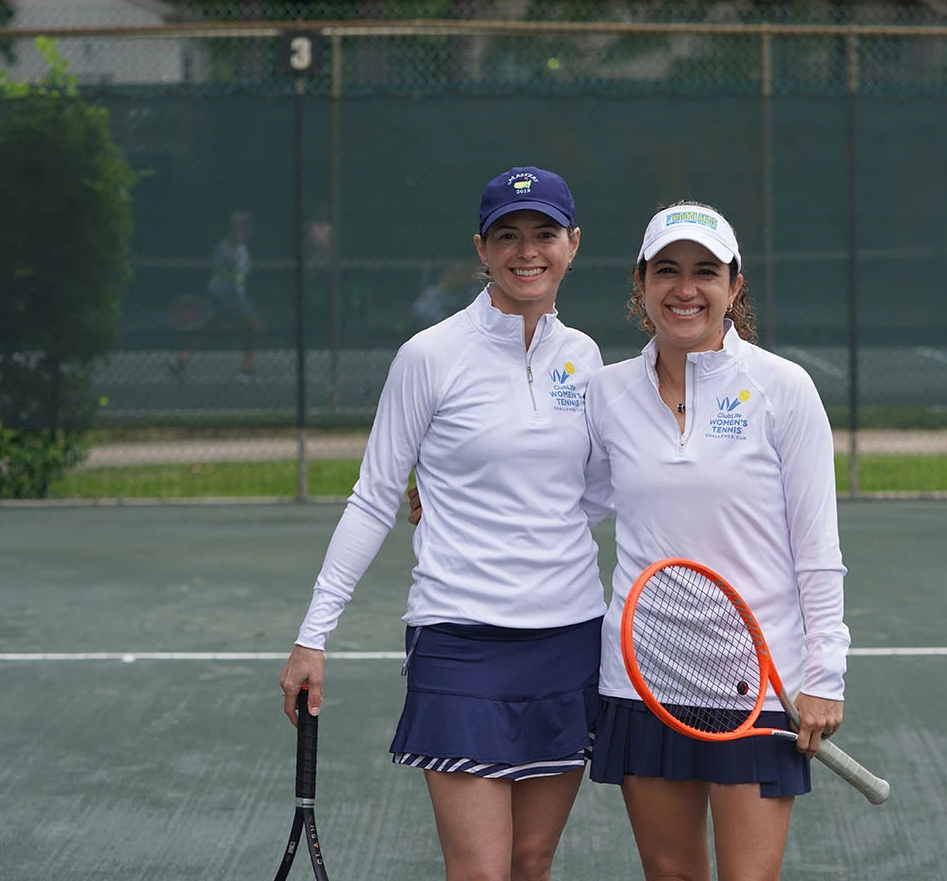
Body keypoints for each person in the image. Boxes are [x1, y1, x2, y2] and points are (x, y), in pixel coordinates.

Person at [278, 166, 611, 881]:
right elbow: (372, 497)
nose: (528, 251)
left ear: (573, 244)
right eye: (508, 236)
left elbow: (591, 495)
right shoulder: (429, 357)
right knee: (482, 872)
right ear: (481, 250)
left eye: (544, 234)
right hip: (459, 641)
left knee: (531, 862)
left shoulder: (585, 360)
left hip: (570, 637)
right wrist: (313, 634)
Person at [585, 201, 851, 881]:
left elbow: (817, 551)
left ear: (735, 287)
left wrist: (823, 676)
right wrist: (443, 497)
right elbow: (562, 506)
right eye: (667, 270)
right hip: (642, 680)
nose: (685, 288)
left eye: (706, 272)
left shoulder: (783, 390)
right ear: (640, 283)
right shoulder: (606, 395)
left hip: (759, 688)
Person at [169, 210, 262, 383]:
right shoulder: (229, 251)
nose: (251, 230)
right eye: (245, 226)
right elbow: (231, 280)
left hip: (226, 297)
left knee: (208, 331)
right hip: (230, 298)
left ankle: (181, 359)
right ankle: (247, 369)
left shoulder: (238, 248)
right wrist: (236, 301)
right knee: (255, 330)